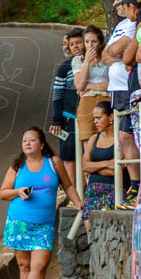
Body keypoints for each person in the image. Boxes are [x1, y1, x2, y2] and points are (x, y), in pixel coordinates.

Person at [0, 127, 81, 279]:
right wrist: (18, 191)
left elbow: (68, 185)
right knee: (24, 265)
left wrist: (78, 202)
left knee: (40, 265)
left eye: (32, 140)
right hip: (19, 221)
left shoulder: (54, 163)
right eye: (24, 140)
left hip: (44, 223)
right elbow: (3, 193)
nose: (27, 143)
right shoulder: (17, 165)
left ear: (42, 144)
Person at [75, 101, 122, 279]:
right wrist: (104, 164)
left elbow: (119, 170)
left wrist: (97, 168)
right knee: (94, 241)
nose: (95, 122)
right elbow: (85, 166)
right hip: (93, 193)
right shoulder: (93, 139)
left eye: (99, 117)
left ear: (110, 117)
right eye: (93, 118)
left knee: (110, 242)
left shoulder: (120, 138)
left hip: (113, 191)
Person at [101, 0, 138, 200]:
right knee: (124, 137)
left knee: (130, 135)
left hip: (128, 85)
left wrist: (113, 51)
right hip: (116, 88)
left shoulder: (133, 25)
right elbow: (105, 56)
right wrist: (113, 51)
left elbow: (114, 51)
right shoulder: (120, 25)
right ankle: (135, 182)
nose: (116, 3)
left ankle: (139, 182)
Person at [50, 26, 84, 187]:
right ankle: (74, 191)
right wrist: (56, 120)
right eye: (72, 44)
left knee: (86, 153)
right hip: (68, 117)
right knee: (68, 155)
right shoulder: (65, 67)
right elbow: (57, 94)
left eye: (79, 42)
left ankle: (87, 189)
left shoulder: (93, 64)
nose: (76, 47)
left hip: (88, 117)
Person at [73, 25, 109, 141]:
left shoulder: (107, 59)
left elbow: (110, 84)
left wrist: (89, 86)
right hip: (87, 100)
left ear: (100, 42)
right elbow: (79, 85)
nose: (90, 45)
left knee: (107, 136)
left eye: (94, 41)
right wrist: (87, 62)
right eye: (87, 41)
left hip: (106, 98)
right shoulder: (78, 60)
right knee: (88, 138)